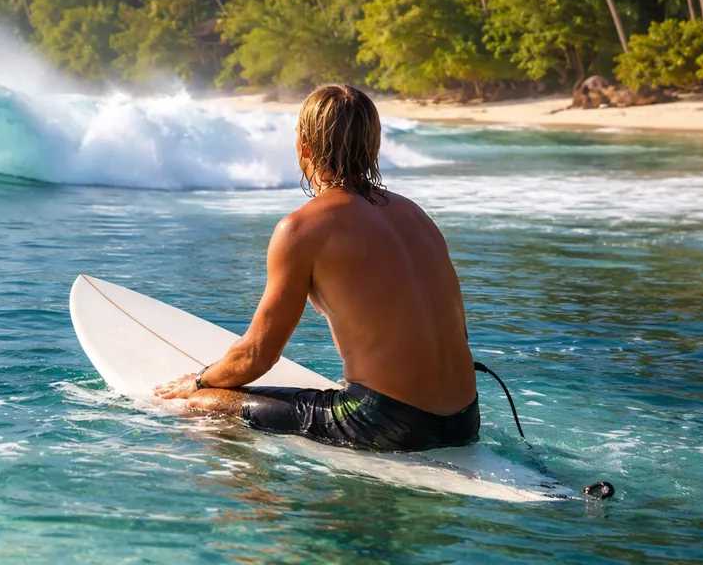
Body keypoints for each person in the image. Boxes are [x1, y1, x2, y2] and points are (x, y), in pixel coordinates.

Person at [153, 84, 479, 452]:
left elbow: (256, 357)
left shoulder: (302, 229)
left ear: (305, 147)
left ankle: (254, 507)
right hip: (464, 420)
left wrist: (198, 382)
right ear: (373, 145)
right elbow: (457, 333)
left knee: (203, 405)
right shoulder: (417, 216)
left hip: (387, 423)